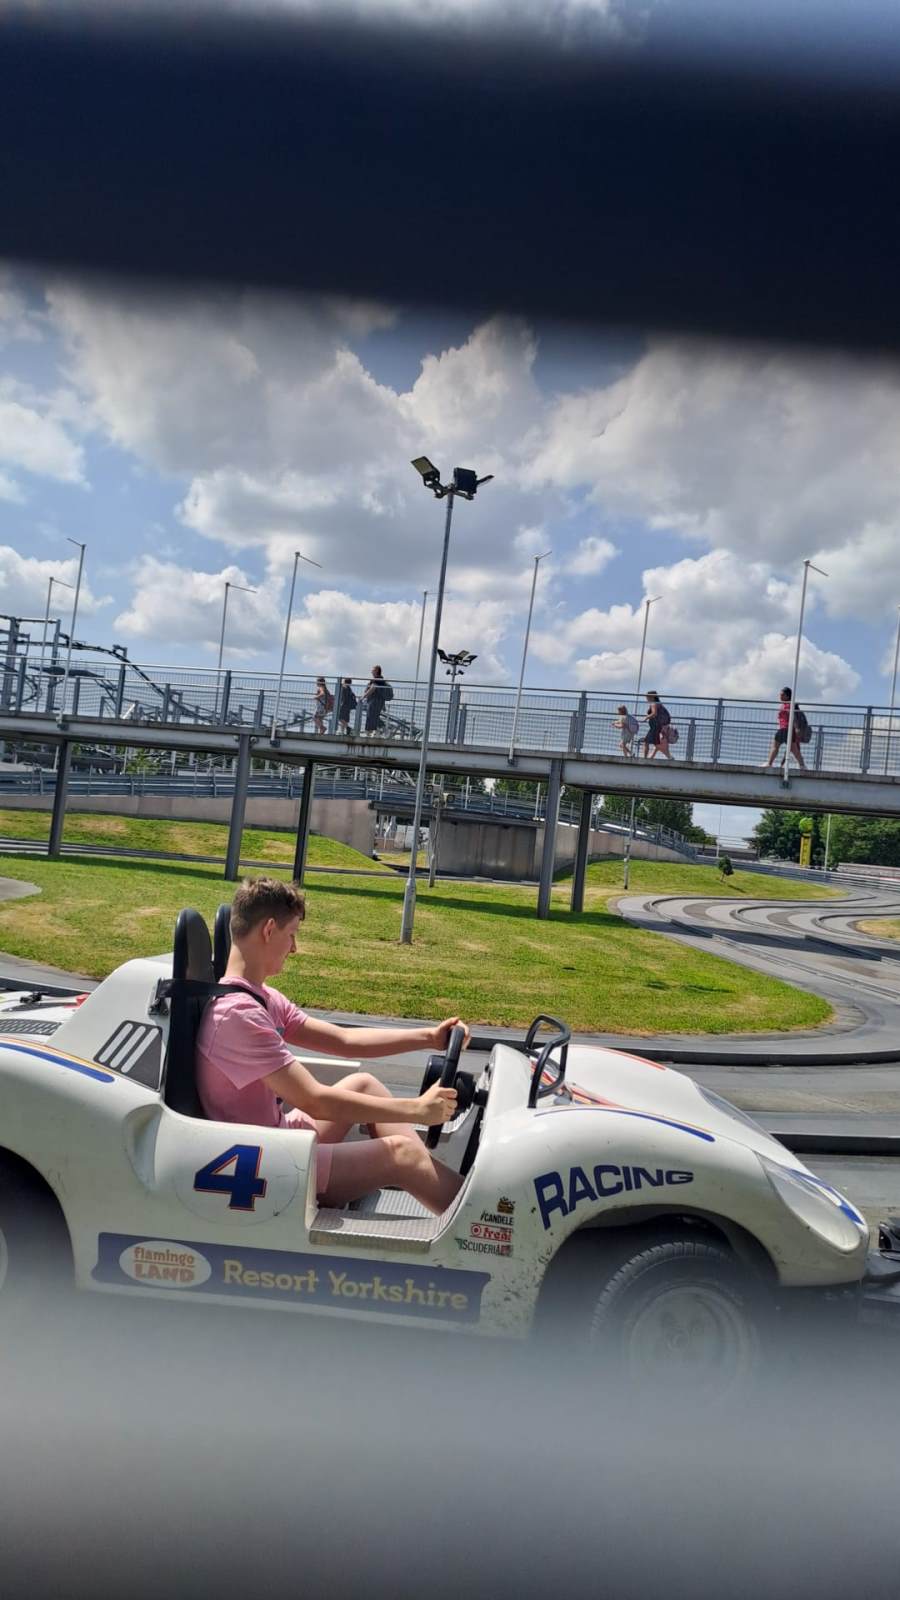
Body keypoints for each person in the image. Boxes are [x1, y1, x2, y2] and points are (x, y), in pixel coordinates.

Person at [196, 877, 465, 1214]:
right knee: (403, 1155)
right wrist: (416, 1109)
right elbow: (315, 1101)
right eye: (292, 935)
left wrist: (429, 1037)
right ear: (269, 930)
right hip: (268, 1166)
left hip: (275, 1139)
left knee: (364, 1084)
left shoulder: (260, 998)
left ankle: (440, 1187)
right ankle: (479, 1222)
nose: (294, 948)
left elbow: (344, 1041)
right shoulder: (238, 1015)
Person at [766, 685, 807, 770]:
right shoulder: (785, 705)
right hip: (786, 729)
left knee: (776, 747)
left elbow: (793, 717)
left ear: (787, 696)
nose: (780, 696)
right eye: (780, 694)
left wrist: (796, 728)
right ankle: (802, 765)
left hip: (785, 728)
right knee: (794, 750)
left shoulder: (788, 705)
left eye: (782, 695)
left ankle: (769, 763)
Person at [642, 691, 673, 759]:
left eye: (647, 697)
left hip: (655, 727)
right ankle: (669, 756)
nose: (646, 699)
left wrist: (647, 717)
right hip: (658, 726)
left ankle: (645, 758)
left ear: (651, 697)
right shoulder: (659, 704)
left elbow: (654, 713)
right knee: (656, 744)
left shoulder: (653, 703)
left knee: (647, 742)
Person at [362, 664, 391, 735]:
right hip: (378, 701)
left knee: (371, 716)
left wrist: (363, 696)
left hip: (374, 701)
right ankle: (377, 730)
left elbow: (372, 688)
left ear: (377, 671)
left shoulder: (377, 679)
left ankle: (370, 731)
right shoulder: (381, 680)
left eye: (373, 670)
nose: (371, 671)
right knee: (374, 716)